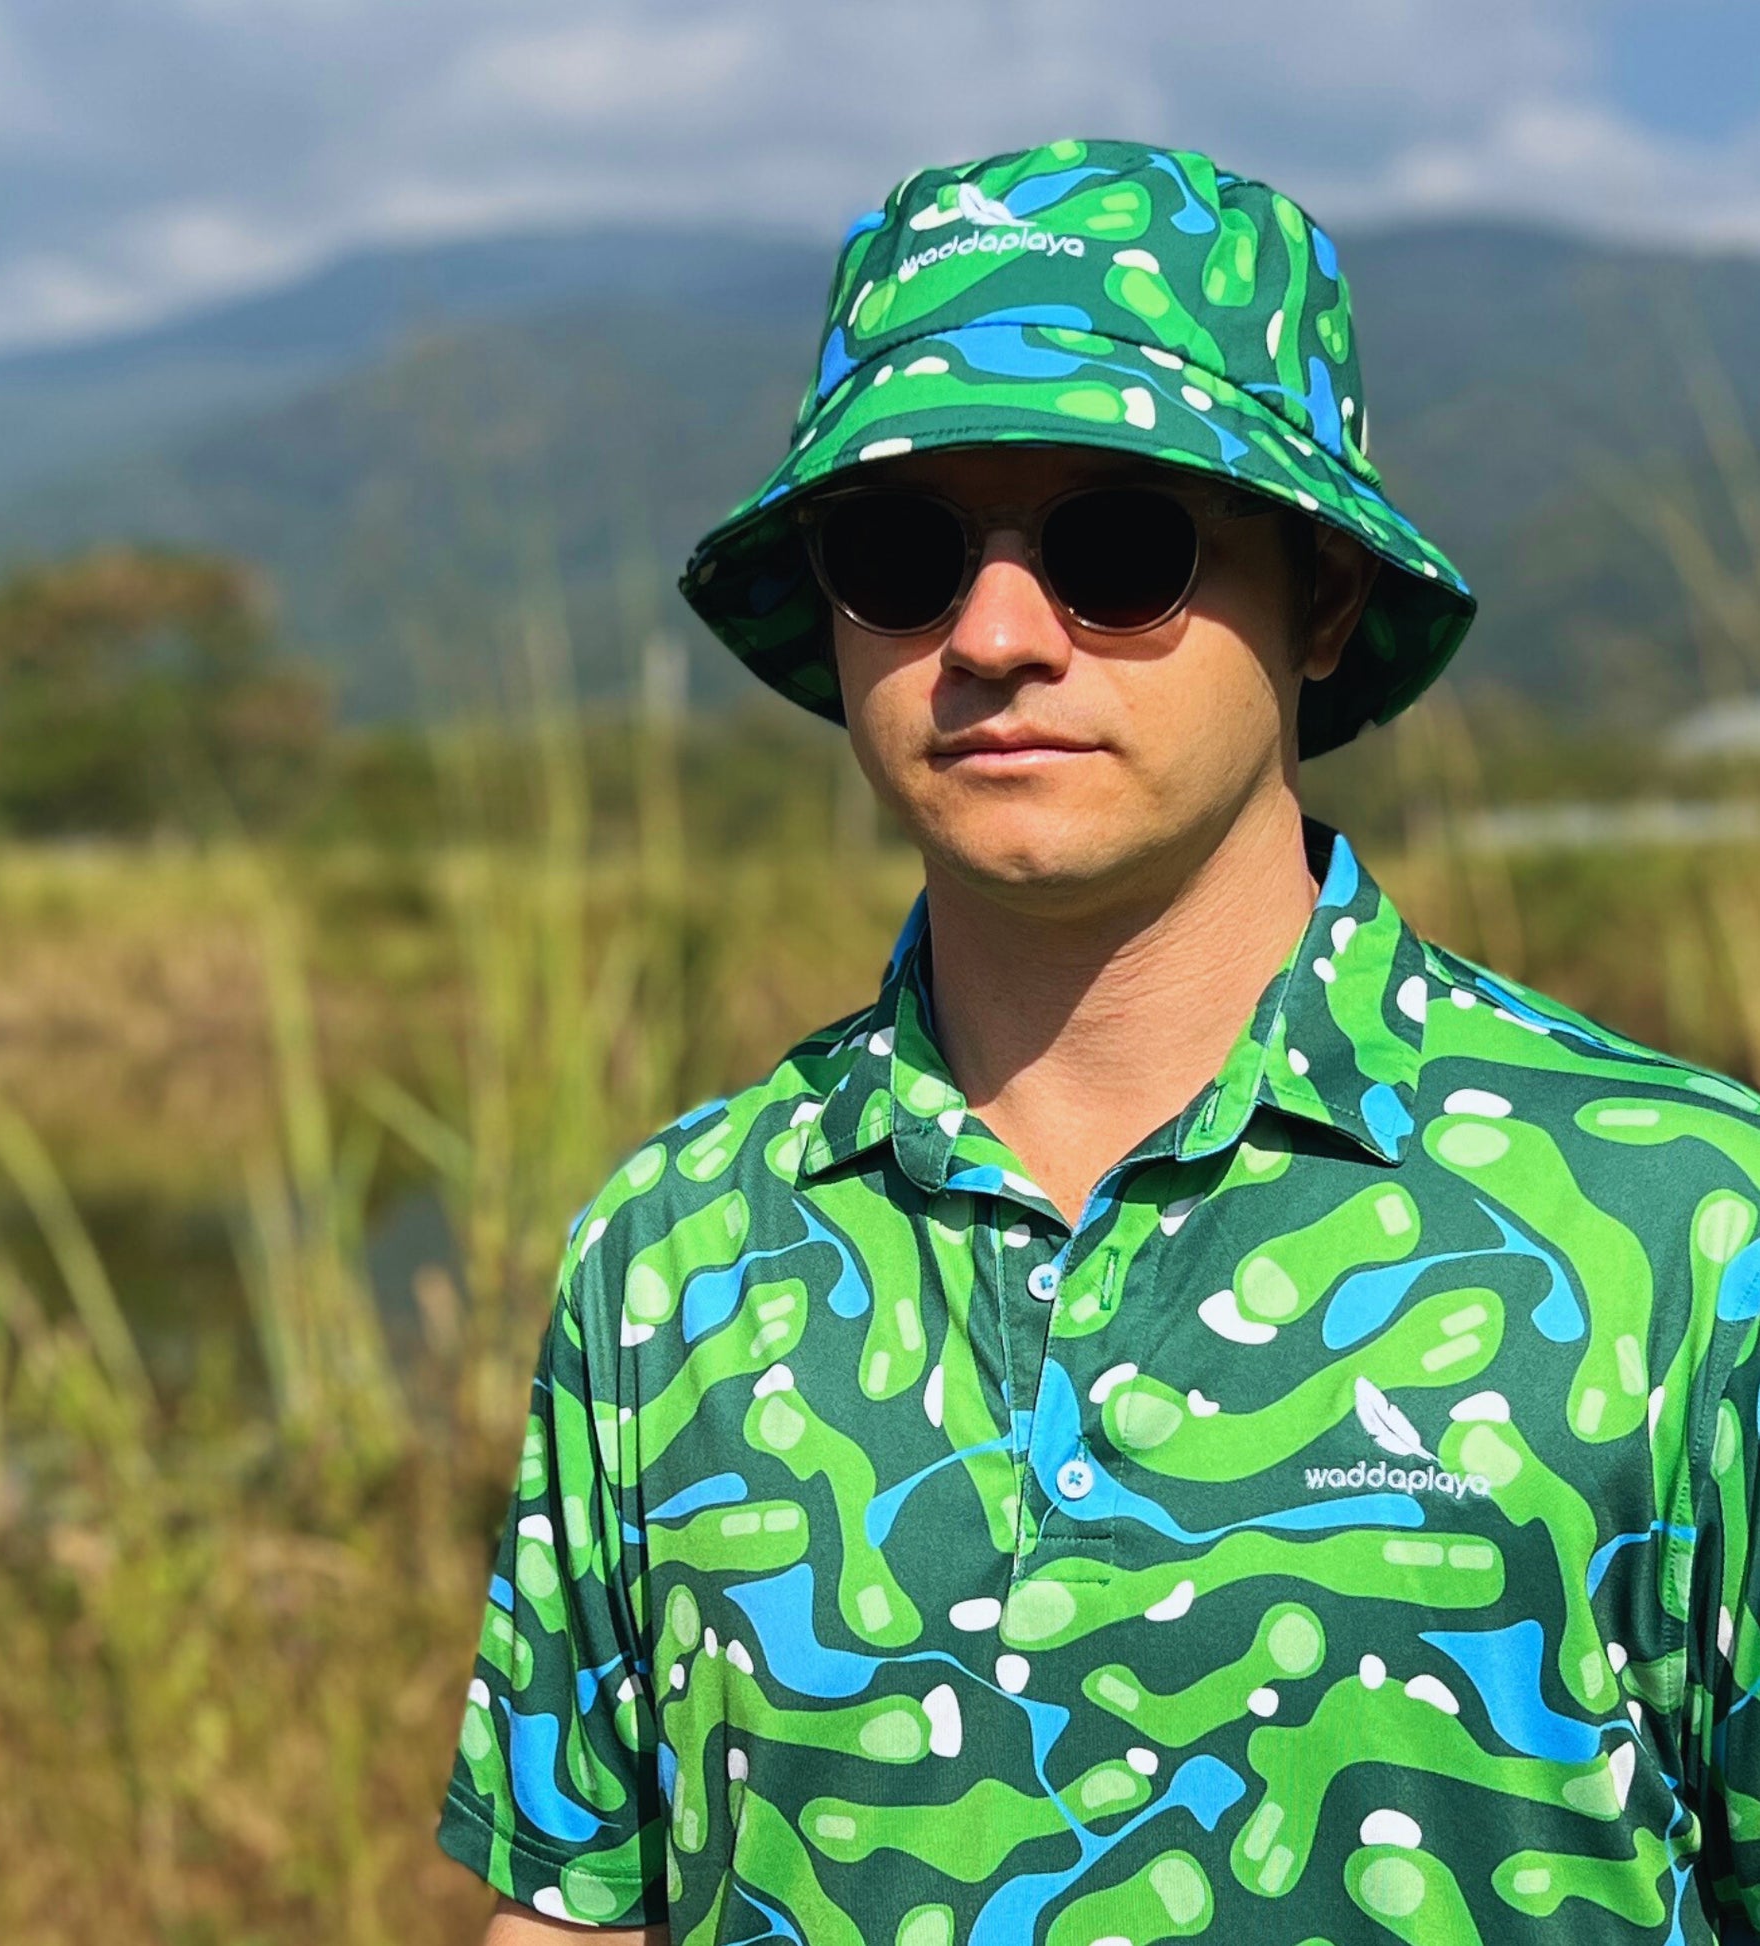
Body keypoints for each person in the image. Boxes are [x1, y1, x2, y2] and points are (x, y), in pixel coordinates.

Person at [436, 137, 1760, 1944]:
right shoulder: (672, 1249)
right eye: (900, 553)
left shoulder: (1688, 1238)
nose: (993, 636)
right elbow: (574, 1910)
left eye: (1117, 548)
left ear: (1322, 597)